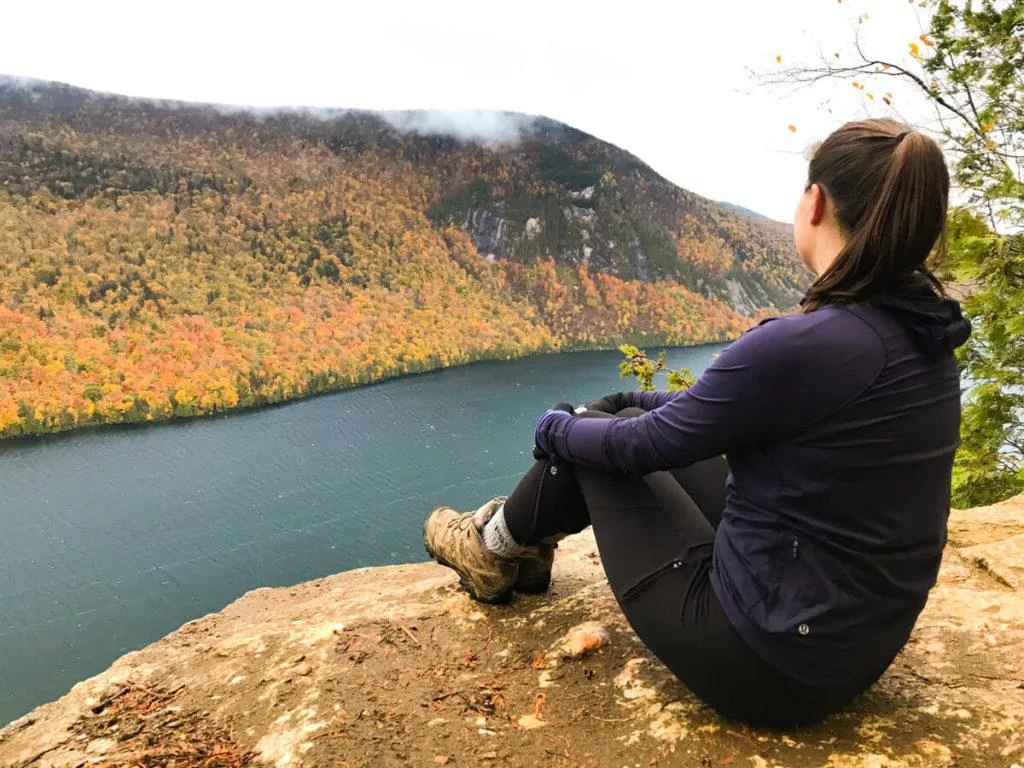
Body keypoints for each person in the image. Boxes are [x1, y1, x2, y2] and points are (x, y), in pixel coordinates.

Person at [422, 118, 971, 728]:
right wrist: (614, 406)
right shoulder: (921, 333)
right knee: (616, 421)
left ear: (814, 202)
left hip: (767, 664)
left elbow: (642, 446)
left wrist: (556, 427)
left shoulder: (805, 344)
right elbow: (706, 414)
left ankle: (494, 547)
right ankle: (510, 545)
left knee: (595, 443)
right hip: (854, 645)